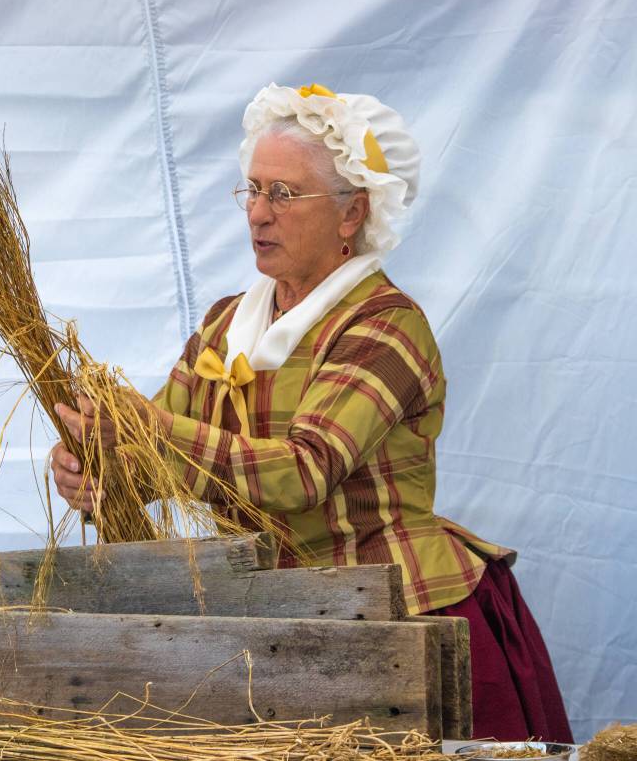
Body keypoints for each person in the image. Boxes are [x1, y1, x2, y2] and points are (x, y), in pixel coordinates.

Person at [50, 83, 572, 742]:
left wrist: (152, 430)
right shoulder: (224, 327)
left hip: (401, 622)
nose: (258, 214)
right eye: (253, 189)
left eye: (285, 194)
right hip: (277, 624)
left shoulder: (387, 327)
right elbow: (154, 463)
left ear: (352, 213)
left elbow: (304, 474)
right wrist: (94, 471)